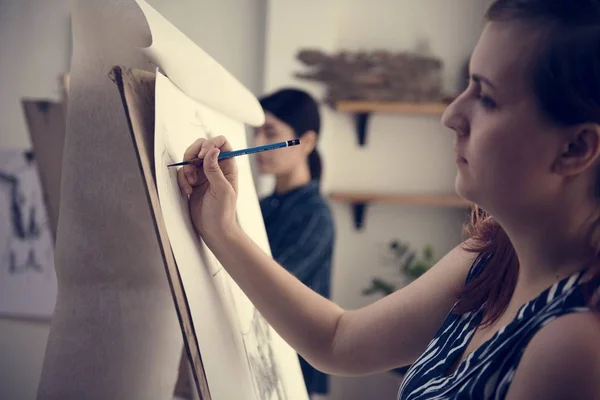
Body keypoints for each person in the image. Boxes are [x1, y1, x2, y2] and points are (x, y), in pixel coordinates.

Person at [176, 0, 600, 398]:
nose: (451, 116)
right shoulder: (489, 255)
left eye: (486, 98)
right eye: (465, 86)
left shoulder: (573, 344)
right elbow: (338, 340)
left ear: (576, 149)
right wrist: (222, 228)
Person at [253, 88, 335, 397]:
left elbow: (274, 287)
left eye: (270, 132)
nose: (258, 144)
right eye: (256, 132)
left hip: (293, 374)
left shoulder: (316, 216)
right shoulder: (261, 205)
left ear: (308, 142)